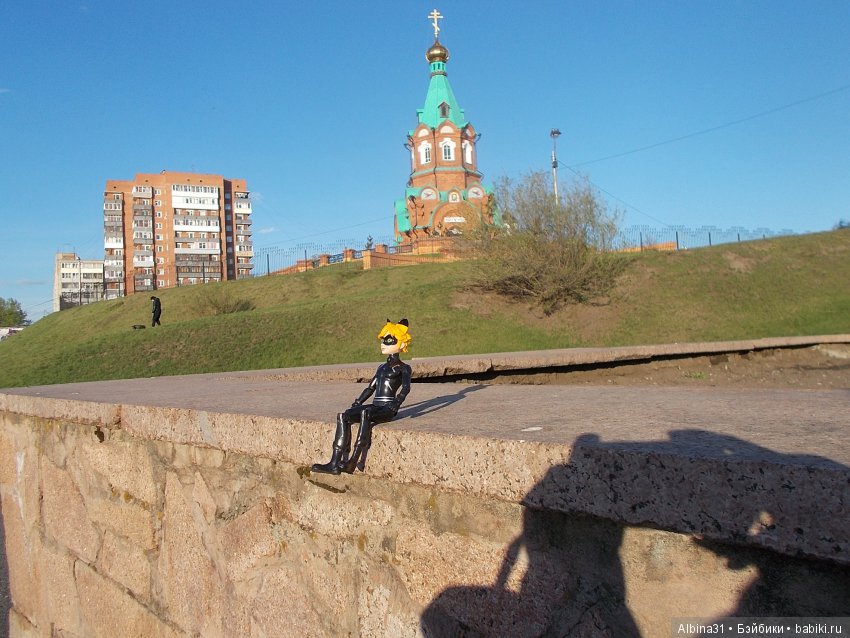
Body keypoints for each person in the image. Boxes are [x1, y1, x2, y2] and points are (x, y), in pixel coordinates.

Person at [312, 319, 412, 475]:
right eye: (383, 339)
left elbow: (406, 388)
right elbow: (370, 388)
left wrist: (397, 403)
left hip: (388, 408)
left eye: (388, 340)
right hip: (376, 406)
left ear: (400, 343)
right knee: (344, 416)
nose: (383, 343)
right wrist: (358, 401)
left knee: (365, 414)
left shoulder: (404, 368)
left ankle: (353, 461)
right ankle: (334, 461)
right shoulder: (381, 368)